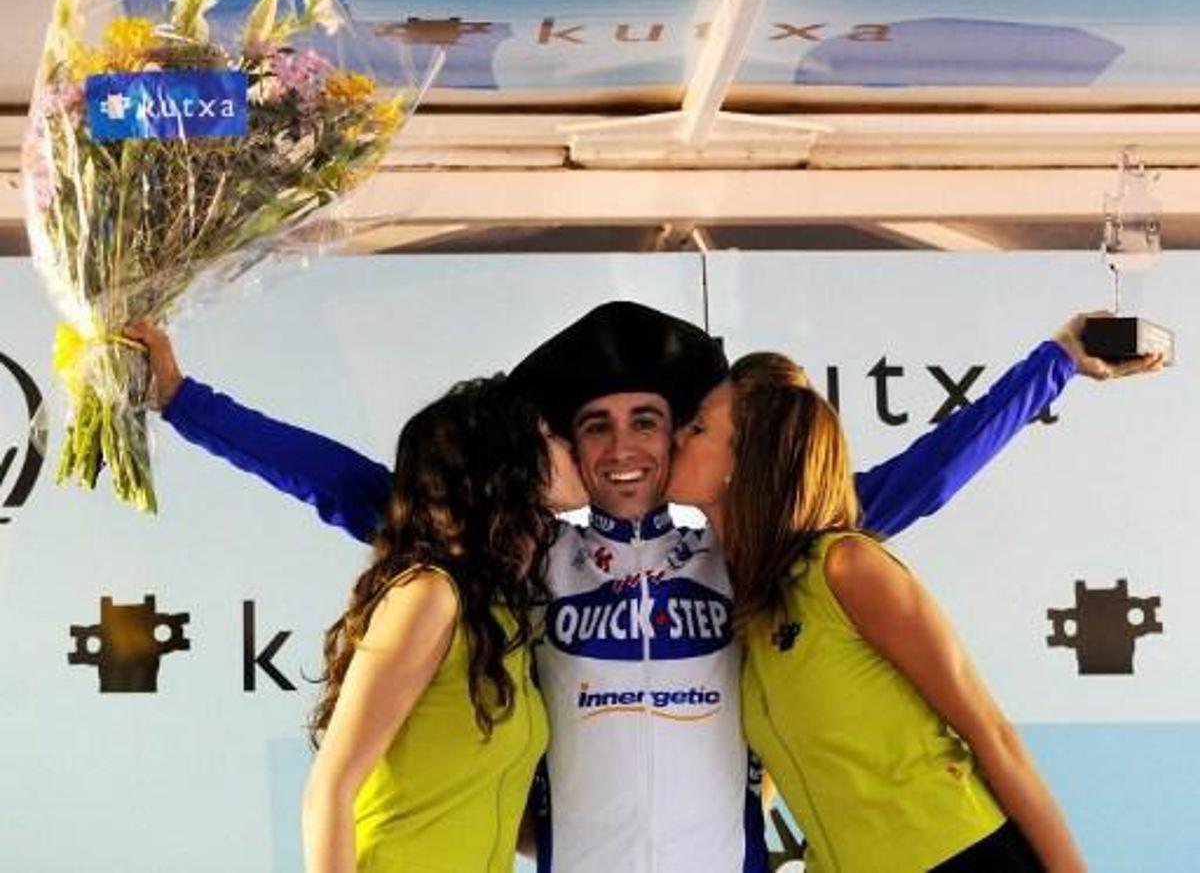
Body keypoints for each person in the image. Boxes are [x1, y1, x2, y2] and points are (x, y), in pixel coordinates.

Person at [126, 303, 1151, 873]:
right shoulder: (527, 564)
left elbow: (916, 481)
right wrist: (182, 401)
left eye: (650, 421)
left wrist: (1054, 365)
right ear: (564, 448)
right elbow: (353, 488)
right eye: (597, 425)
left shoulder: (752, 563)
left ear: (686, 439)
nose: (623, 447)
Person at [666, 352, 1088, 872]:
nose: (675, 438)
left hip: (963, 855)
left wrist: (1058, 360)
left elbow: (992, 735)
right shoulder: (740, 598)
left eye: (697, 428)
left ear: (742, 464)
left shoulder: (844, 566)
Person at [299, 375, 586, 872]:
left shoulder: (503, 612)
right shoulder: (430, 595)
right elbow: (329, 790)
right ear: (507, 466)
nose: (567, 443)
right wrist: (183, 401)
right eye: (547, 435)